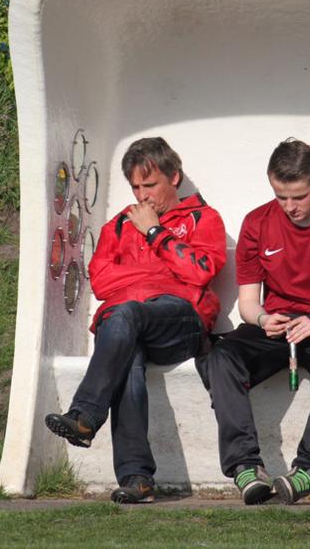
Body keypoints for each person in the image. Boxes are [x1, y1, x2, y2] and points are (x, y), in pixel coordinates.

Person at [44, 137, 226, 504]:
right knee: (127, 351)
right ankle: (137, 478)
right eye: (136, 187)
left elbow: (201, 271)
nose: (143, 196)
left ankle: (85, 415)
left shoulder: (203, 219)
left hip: (181, 321)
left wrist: (155, 234)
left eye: (150, 185)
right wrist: (160, 274)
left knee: (124, 312)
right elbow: (101, 281)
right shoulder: (117, 226)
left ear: (174, 177)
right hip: (129, 325)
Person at [205, 138, 310, 505]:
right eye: (281, 196)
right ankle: (245, 467)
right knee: (221, 356)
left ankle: (309, 470)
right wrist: (265, 318)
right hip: (277, 324)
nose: (290, 207)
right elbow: (249, 304)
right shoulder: (256, 222)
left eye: (298, 196)